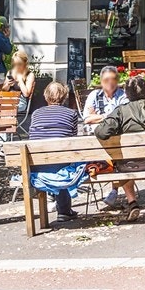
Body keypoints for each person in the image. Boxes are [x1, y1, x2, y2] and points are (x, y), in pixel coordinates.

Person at [93, 76, 145, 217]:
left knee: (121, 162)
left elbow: (101, 132)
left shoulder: (120, 111)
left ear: (126, 93)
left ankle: (132, 202)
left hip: (128, 164)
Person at [27, 82, 85, 221]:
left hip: (37, 164)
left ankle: (58, 204)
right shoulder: (71, 113)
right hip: (61, 164)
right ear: (64, 97)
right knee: (65, 162)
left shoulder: (36, 114)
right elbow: (72, 139)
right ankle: (64, 211)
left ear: (46, 96)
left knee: (58, 161)